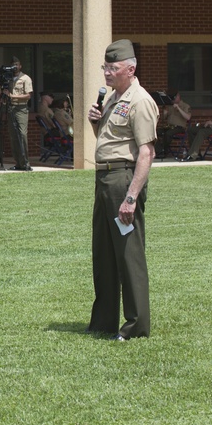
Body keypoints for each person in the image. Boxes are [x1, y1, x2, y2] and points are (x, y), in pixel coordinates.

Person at [86, 39, 157, 341]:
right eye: (105, 67)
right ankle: (103, 322)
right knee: (103, 255)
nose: (106, 73)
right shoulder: (115, 98)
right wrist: (95, 124)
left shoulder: (139, 101)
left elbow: (146, 152)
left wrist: (130, 198)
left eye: (112, 68)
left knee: (128, 255)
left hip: (122, 182)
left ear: (130, 68)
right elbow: (110, 142)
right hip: (104, 180)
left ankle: (136, 326)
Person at [4, 56, 33, 171]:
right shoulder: (9, 78)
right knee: (13, 136)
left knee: (22, 135)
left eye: (17, 64)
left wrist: (12, 96)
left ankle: (26, 162)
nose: (15, 67)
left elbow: (28, 95)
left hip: (21, 109)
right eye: (13, 65)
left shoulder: (25, 78)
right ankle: (18, 163)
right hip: (11, 108)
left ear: (20, 66)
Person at [156, 91, 190, 158]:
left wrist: (179, 108)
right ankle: (159, 150)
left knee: (168, 134)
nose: (173, 99)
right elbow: (163, 119)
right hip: (169, 126)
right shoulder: (170, 106)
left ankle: (163, 151)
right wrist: (165, 113)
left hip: (179, 127)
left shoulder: (185, 106)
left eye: (174, 97)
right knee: (154, 132)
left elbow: (188, 117)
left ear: (178, 97)